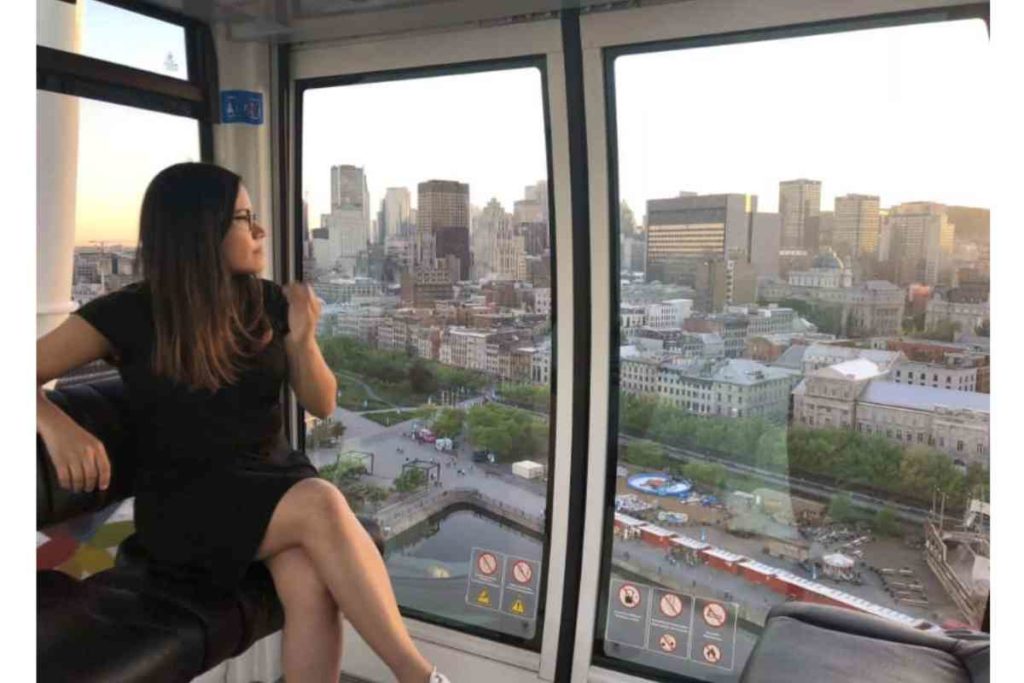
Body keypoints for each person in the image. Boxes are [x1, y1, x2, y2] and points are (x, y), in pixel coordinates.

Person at [36, 163, 451, 683]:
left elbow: (322, 403)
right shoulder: (129, 313)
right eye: (243, 218)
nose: (260, 231)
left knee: (309, 582)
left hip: (271, 484)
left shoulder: (269, 302)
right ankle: (418, 676)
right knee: (322, 503)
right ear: (199, 231)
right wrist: (54, 421)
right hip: (188, 509)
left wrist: (302, 339)